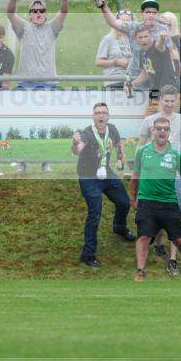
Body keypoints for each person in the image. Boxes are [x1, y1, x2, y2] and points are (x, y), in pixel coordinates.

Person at [130, 117, 181, 282]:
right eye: (158, 129)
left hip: (169, 203)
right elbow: (135, 176)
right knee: (143, 237)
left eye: (165, 129)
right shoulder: (142, 152)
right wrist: (133, 198)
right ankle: (140, 271)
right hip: (147, 201)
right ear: (153, 131)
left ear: (169, 132)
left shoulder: (176, 155)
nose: (162, 132)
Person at [137, 85, 181, 275]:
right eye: (166, 100)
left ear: (177, 101)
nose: (169, 104)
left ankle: (173, 259)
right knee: (155, 216)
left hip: (176, 175)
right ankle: (158, 244)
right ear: (160, 100)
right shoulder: (149, 120)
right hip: (153, 175)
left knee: (175, 217)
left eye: (173, 101)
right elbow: (141, 145)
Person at [71, 102, 136, 268]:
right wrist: (74, 142)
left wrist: (121, 156)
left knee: (124, 202)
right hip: (88, 177)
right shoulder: (87, 133)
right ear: (93, 117)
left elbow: (118, 144)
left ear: (108, 116)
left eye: (104, 113)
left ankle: (119, 227)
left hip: (106, 173)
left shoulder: (112, 129)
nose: (101, 116)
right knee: (95, 212)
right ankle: (88, 255)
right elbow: (78, 149)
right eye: (98, 113)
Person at [7, 0, 68, 88]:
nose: (38, 13)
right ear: (30, 15)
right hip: (26, 84)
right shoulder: (24, 29)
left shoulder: (52, 28)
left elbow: (64, 11)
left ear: (46, 14)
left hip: (49, 84)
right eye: (34, 11)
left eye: (41, 10)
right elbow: (10, 14)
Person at [99, 0, 171, 84]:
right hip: (134, 77)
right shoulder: (134, 27)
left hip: (156, 79)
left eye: (154, 13)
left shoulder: (163, 29)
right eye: (147, 12)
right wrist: (104, 8)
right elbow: (114, 23)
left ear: (157, 14)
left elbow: (169, 53)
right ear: (142, 14)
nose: (151, 15)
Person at [127, 26, 180, 115]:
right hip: (155, 92)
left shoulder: (156, 47)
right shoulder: (141, 53)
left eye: (146, 36)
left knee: (163, 121)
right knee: (148, 119)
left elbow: (160, 46)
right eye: (140, 37)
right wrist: (133, 84)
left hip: (169, 91)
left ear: (151, 36)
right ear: (136, 40)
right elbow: (147, 72)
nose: (144, 40)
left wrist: (162, 38)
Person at [95, 10, 133, 88]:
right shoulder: (109, 38)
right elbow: (98, 62)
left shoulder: (136, 39)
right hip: (114, 81)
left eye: (128, 21)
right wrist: (117, 62)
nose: (125, 24)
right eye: (123, 21)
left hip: (133, 81)